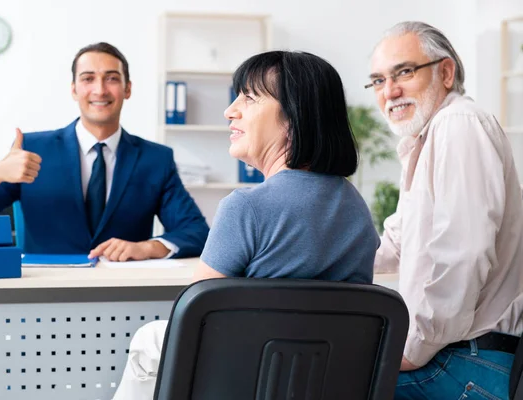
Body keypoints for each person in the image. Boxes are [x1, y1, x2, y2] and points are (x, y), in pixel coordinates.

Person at [111, 50, 381, 400]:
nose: (230, 110)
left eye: (249, 98)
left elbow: (192, 322)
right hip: (320, 383)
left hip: (245, 381)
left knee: (150, 340)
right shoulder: (356, 208)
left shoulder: (245, 208)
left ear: (292, 117)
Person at [0, 42, 209, 260]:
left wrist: (148, 247)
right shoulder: (32, 150)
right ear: (74, 89)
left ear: (127, 89)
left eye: (112, 78)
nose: (100, 90)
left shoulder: (155, 159)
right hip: (42, 299)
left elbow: (197, 232)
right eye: (88, 78)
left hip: (125, 297)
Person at [369, 21, 523, 399]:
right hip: (460, 356)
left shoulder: (459, 124)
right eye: (377, 80)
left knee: (334, 384)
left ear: (446, 72)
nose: (389, 91)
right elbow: (396, 244)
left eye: (403, 72)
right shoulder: (425, 141)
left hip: (472, 362)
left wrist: (411, 348)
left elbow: (463, 256)